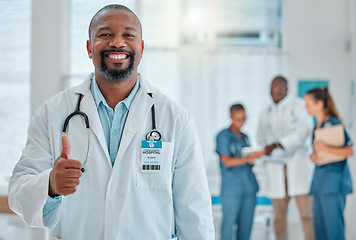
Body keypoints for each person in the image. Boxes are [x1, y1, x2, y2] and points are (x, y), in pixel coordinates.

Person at [8, 4, 215, 240]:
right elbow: (17, 191)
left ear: (141, 47)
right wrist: (50, 185)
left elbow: (194, 209)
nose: (117, 43)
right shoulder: (52, 113)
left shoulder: (175, 119)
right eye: (105, 34)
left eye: (128, 35)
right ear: (89, 48)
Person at [257, 76, 314, 240]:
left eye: (278, 91)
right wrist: (269, 148)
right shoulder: (265, 112)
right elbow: (261, 137)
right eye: (271, 91)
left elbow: (302, 133)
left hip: (297, 167)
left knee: (306, 215)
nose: (274, 95)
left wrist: (277, 145)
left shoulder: (299, 106)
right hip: (276, 169)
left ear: (286, 90)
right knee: (279, 218)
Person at [304, 88, 353, 240]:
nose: (306, 107)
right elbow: (323, 154)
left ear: (319, 104)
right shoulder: (317, 126)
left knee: (333, 231)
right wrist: (314, 156)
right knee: (320, 230)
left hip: (333, 185)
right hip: (320, 183)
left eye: (308, 104)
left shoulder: (333, 123)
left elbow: (349, 151)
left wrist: (325, 148)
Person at [216, 104, 265, 240]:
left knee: (246, 227)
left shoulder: (245, 137)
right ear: (231, 117)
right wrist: (248, 158)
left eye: (244, 119)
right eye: (238, 119)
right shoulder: (223, 136)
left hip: (249, 187)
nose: (241, 122)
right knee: (228, 226)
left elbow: (248, 161)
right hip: (232, 189)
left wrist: (252, 159)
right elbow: (227, 161)